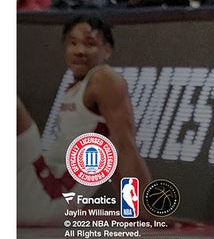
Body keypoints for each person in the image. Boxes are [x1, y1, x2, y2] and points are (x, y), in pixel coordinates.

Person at [16, 17, 153, 224]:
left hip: (51, 194)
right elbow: (110, 160)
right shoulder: (76, 88)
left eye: (90, 44)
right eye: (73, 43)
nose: (79, 50)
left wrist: (142, 210)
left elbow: (124, 145)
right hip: (39, 186)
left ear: (107, 50)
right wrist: (129, 209)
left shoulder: (104, 79)